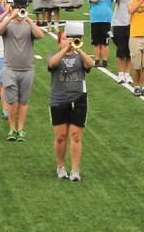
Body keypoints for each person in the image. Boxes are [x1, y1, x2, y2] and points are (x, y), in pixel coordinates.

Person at [48, 25, 95, 182]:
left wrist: (78, 49)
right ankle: (61, 166)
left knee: (75, 136)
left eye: (70, 38)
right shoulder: (55, 55)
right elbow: (52, 64)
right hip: (59, 99)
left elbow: (90, 64)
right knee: (60, 136)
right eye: (64, 39)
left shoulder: (79, 56)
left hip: (79, 99)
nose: (68, 41)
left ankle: (75, 170)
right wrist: (65, 49)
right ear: (59, 42)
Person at [0, 0, 44, 141]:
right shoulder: (8, 24)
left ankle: (20, 129)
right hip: (10, 69)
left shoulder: (29, 25)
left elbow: (40, 35)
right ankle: (12, 129)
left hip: (27, 69)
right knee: (11, 101)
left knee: (23, 101)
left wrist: (28, 19)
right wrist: (9, 16)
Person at [111, 0, 134, 84]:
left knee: (131, 50)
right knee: (121, 49)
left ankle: (127, 73)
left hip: (132, 22)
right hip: (118, 22)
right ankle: (120, 73)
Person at [86, 0, 113, 68]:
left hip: (106, 20)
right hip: (95, 20)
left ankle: (105, 60)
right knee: (96, 42)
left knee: (105, 42)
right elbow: (94, 0)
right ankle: (97, 60)